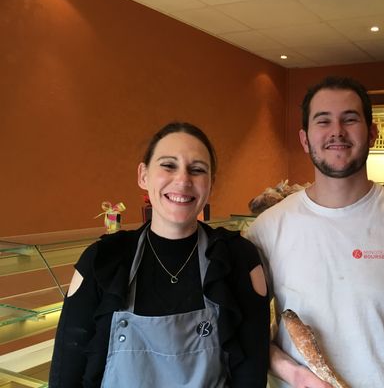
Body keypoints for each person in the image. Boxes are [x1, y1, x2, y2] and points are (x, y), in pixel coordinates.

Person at [246, 76, 384, 388]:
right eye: (323, 121)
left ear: (372, 133)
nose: (336, 131)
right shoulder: (268, 228)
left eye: (349, 119)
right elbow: (245, 332)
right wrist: (295, 374)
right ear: (304, 139)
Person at [49, 121, 270, 388]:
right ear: (143, 175)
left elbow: (251, 373)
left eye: (197, 170)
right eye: (168, 165)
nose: (183, 180)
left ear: (211, 184)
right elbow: (66, 371)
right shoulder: (102, 260)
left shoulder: (237, 259)